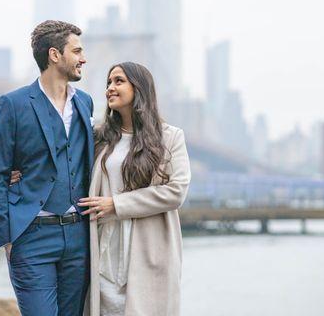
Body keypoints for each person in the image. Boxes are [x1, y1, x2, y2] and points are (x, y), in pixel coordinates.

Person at [11, 62, 191, 316]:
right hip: (102, 249)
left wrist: (116, 205)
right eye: (108, 82)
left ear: (139, 88)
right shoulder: (98, 136)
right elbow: (61, 163)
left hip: (147, 249)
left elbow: (177, 191)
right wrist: (20, 173)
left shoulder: (170, 137)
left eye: (119, 81)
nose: (110, 88)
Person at [0, 20, 94, 316]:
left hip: (77, 236)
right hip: (31, 236)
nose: (83, 58)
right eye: (77, 51)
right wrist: (7, 237)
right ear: (54, 55)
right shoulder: (13, 104)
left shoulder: (85, 103)